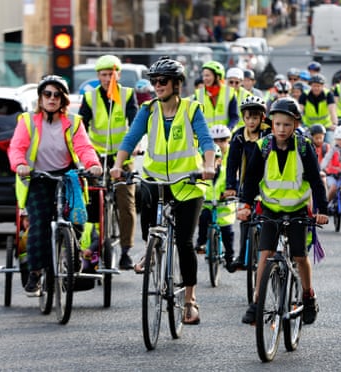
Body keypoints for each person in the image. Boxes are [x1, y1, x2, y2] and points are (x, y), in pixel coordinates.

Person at [110, 56, 216, 325]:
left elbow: (205, 141)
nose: (157, 86)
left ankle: (190, 299)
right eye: (154, 81)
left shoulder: (192, 110)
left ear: (177, 83)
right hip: (155, 179)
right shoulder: (148, 109)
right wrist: (117, 164)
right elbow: (130, 138)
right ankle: (151, 248)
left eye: (163, 81)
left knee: (184, 242)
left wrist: (208, 166)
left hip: (187, 183)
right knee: (142, 197)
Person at [8, 75, 103, 296]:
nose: (52, 98)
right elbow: (16, 147)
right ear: (40, 99)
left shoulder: (73, 121)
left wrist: (93, 164)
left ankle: (74, 254)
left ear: (63, 99)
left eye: (57, 95)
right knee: (39, 223)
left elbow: (84, 148)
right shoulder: (28, 120)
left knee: (78, 218)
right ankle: (35, 273)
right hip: (38, 177)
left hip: (67, 176)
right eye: (47, 94)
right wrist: (20, 164)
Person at [238, 97, 329, 325]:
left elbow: (316, 183)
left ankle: (308, 296)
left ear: (295, 125)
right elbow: (251, 180)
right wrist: (245, 205)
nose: (281, 129)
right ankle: (257, 301)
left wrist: (322, 210)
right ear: (271, 123)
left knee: (300, 256)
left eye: (287, 124)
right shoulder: (263, 146)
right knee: (265, 254)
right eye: (277, 124)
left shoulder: (304, 147)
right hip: (270, 210)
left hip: (298, 210)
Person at [78, 54, 139, 270]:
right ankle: (93, 243)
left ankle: (125, 251)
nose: (107, 78)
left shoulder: (127, 94)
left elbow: (135, 123)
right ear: (98, 76)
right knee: (92, 199)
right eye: (103, 74)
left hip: (122, 155)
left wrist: (135, 145)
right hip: (97, 157)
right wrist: (83, 152)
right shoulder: (89, 97)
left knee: (126, 202)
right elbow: (81, 127)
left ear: (118, 74)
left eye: (111, 74)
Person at [224, 95, 271, 269]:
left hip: (269, 182)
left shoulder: (269, 133)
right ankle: (243, 255)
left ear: (262, 118)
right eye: (248, 117)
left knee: (268, 218)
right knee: (245, 217)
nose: (251, 121)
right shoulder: (238, 137)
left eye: (255, 117)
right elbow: (232, 163)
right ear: (243, 118)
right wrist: (231, 186)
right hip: (247, 184)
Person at [196, 125, 237, 271]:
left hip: (223, 209)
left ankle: (229, 257)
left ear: (219, 161)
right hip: (207, 205)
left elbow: (234, 185)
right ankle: (201, 242)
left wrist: (231, 192)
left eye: (215, 159)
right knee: (202, 218)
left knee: (228, 233)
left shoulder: (227, 172)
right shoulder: (200, 174)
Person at [194, 60, 240, 130]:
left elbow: (234, 117)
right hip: (207, 137)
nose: (204, 78)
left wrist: (228, 129)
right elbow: (196, 119)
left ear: (217, 76)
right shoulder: (198, 94)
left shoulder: (229, 92)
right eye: (203, 76)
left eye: (207, 75)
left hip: (226, 137)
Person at [299, 74, 338, 143]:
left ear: (323, 86)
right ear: (310, 86)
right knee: (305, 143)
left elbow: (332, 110)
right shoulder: (305, 95)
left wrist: (334, 124)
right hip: (309, 126)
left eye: (318, 86)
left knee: (330, 142)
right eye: (314, 86)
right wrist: (299, 124)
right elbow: (299, 111)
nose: (316, 88)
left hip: (326, 126)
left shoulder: (328, 94)